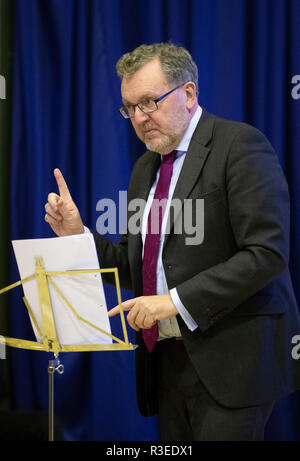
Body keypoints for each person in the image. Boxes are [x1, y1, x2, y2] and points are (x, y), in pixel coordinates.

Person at [44, 42, 300, 441]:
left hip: (232, 363)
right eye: (129, 107)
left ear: (189, 93)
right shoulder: (146, 166)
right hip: (165, 362)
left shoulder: (240, 146)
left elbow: (266, 254)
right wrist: (79, 236)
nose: (140, 118)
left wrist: (173, 301)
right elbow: (140, 267)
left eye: (149, 102)